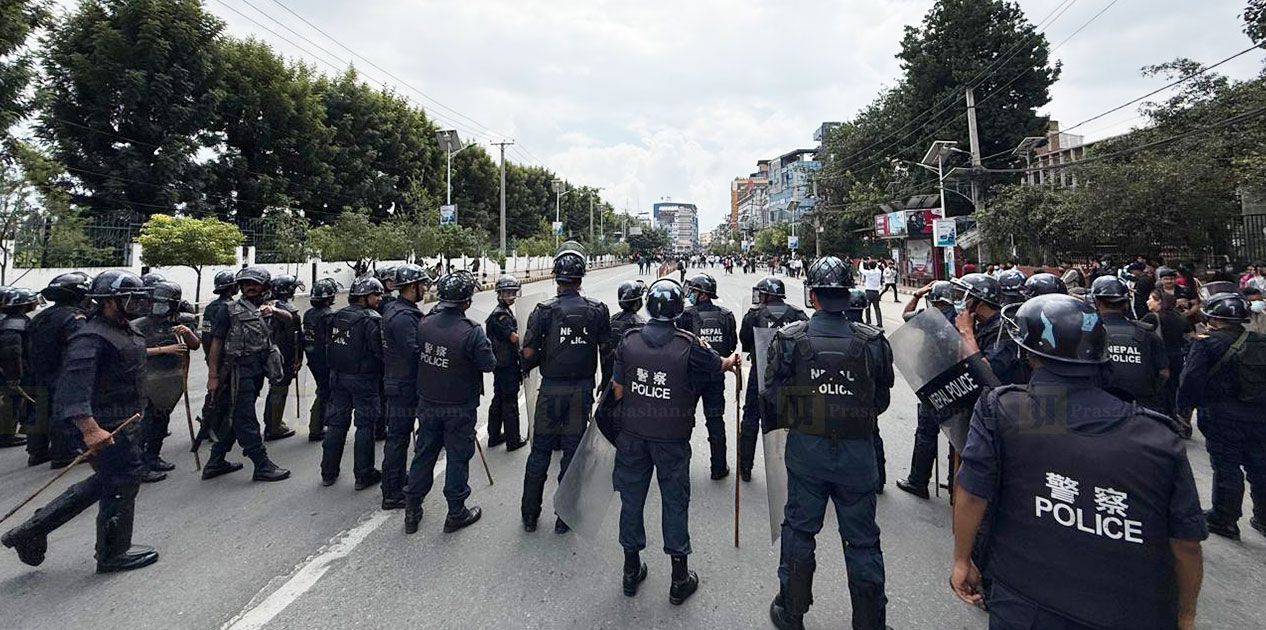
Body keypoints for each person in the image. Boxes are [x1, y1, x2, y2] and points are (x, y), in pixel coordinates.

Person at [951, 294, 1206, 630]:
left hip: (1025, 603)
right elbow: (1185, 543)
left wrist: (961, 560)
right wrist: (1185, 615)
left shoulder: (1008, 410)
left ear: (1030, 354)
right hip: (1125, 609)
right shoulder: (1156, 436)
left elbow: (972, 493)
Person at [1, 271, 160, 573]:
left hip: (124, 420)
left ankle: (32, 530)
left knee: (111, 479)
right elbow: (74, 386)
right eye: (129, 298)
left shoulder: (122, 328)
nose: (137, 304)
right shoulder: (90, 337)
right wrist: (89, 428)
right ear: (108, 301)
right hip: (106, 423)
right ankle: (112, 554)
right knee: (121, 481)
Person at [766, 256, 894, 630]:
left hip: (807, 452)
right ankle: (870, 623)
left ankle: (792, 612)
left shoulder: (790, 339)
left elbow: (773, 399)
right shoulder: (873, 342)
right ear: (848, 294)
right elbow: (880, 401)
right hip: (858, 454)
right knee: (863, 542)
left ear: (813, 295)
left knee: (799, 531)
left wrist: (811, 410)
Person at [612, 278, 740, 603]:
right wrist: (732, 362)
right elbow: (719, 365)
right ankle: (679, 578)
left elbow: (618, 390)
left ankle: (630, 571)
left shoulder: (629, 340)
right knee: (674, 502)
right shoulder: (690, 345)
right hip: (671, 439)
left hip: (632, 436)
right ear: (678, 310)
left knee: (631, 500)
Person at [519, 248, 612, 534]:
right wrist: (606, 383)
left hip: (551, 390)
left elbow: (528, 352)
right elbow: (607, 351)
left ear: (556, 278)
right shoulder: (597, 310)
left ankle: (530, 515)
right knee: (572, 453)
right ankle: (565, 515)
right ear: (581, 278)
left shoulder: (543, 311)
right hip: (580, 390)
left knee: (540, 452)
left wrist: (529, 364)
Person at [403, 271, 495, 535]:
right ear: (466, 301)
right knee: (457, 456)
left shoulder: (424, 323)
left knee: (424, 453)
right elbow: (488, 364)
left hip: (428, 401)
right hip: (458, 406)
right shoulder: (472, 331)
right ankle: (456, 511)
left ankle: (412, 509)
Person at [1177, 292, 1266, 540]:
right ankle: (1263, 517)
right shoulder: (1260, 341)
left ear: (1213, 318)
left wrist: (1184, 410)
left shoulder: (1207, 344)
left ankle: (1225, 518)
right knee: (1260, 465)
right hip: (1259, 415)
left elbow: (1190, 380)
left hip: (1221, 415)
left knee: (1227, 465)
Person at [203, 267, 291, 482]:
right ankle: (262, 465)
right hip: (237, 373)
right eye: (246, 284)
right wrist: (213, 377)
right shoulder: (229, 310)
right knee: (246, 419)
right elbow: (216, 343)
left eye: (255, 283)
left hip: (256, 371)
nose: (250, 287)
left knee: (235, 418)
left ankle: (215, 461)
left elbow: (290, 319)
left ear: (265, 286)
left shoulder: (267, 308)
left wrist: (273, 311)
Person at [738, 276, 808, 482]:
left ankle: (745, 467)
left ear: (767, 295)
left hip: (761, 372)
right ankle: (796, 467)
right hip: (790, 375)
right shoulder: (797, 314)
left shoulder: (754, 314)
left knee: (751, 416)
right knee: (795, 419)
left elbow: (745, 340)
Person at [132, 281, 200, 483]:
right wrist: (164, 350)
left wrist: (187, 333)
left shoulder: (182, 321)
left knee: (162, 421)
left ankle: (153, 456)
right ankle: (138, 465)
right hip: (147, 380)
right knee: (145, 424)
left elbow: (195, 345)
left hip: (172, 380)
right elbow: (133, 352)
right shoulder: (140, 325)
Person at [896, 281, 958, 500]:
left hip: (933, 382)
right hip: (958, 383)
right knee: (956, 437)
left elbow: (906, 316)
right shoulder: (963, 318)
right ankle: (955, 486)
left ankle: (918, 481)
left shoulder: (930, 317)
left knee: (926, 433)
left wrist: (916, 294)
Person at [321, 275, 384, 490]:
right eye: (375, 295)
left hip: (338, 377)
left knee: (337, 423)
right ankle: (364, 474)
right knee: (365, 425)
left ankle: (328, 472)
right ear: (364, 297)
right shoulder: (371, 320)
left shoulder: (337, 316)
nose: (379, 299)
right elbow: (379, 352)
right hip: (363, 379)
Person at [25, 272, 91, 468]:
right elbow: (81, 346)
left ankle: (36, 452)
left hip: (41, 369)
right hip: (64, 370)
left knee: (40, 409)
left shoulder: (42, 316)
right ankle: (65, 453)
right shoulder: (74, 317)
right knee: (64, 410)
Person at [677, 272, 738, 479]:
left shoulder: (685, 316)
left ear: (703, 294)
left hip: (691, 378)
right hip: (716, 375)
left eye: (693, 291)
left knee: (684, 420)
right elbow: (731, 345)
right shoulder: (726, 315)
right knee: (715, 419)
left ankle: (679, 467)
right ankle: (718, 468)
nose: (690, 294)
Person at [380, 265, 430, 509]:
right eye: (422, 284)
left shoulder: (398, 309)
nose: (425, 288)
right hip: (404, 384)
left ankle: (397, 480)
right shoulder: (402, 317)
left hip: (399, 381)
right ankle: (392, 492)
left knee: (398, 438)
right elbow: (414, 352)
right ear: (412, 287)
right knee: (398, 439)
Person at [1090, 276, 1169, 413]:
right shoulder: (1147, 333)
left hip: (1098, 408)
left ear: (1097, 302)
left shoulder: (1087, 333)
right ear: (1126, 303)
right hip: (1142, 408)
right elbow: (1164, 373)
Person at [953, 273, 1028, 385]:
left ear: (980, 301)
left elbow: (986, 372)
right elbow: (963, 363)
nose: (959, 302)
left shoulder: (1005, 331)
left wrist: (966, 332)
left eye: (963, 297)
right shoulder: (980, 325)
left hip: (1004, 392)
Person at [197, 269, 239, 452]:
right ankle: (213, 426)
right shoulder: (229, 308)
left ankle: (209, 424)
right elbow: (219, 338)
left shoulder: (211, 307)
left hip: (211, 356)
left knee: (215, 392)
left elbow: (206, 336)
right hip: (225, 358)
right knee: (224, 395)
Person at [485, 275, 526, 451]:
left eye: (513, 292)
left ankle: (494, 436)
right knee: (509, 402)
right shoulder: (501, 316)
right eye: (507, 293)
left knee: (499, 399)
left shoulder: (501, 312)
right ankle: (513, 440)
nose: (511, 296)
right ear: (500, 294)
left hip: (500, 364)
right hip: (507, 365)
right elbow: (514, 338)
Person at [263, 274, 304, 441]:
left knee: (275, 388)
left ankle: (272, 422)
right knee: (279, 389)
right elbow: (294, 339)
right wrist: (297, 359)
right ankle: (274, 426)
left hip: (270, 354)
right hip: (283, 356)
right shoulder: (287, 311)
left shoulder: (267, 306)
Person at [0, 287, 38, 450]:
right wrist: (14, 376)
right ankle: (5, 436)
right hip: (11, 371)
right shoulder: (14, 325)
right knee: (11, 403)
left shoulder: (8, 321)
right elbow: (12, 352)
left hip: (10, 370)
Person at [302, 278, 339, 442]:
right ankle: (316, 427)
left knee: (323, 390)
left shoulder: (309, 314)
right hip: (325, 359)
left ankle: (319, 424)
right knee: (326, 392)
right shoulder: (329, 316)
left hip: (312, 358)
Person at [599, 280, 646, 393]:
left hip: (611, 379)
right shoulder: (640, 324)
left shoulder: (612, 320)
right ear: (637, 303)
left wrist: (604, 382)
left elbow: (605, 356)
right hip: (630, 382)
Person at [858, 259, 884, 327]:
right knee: (877, 308)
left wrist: (861, 262)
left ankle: (868, 321)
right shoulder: (879, 272)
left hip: (869, 292)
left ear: (869, 266)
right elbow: (876, 267)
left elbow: (861, 269)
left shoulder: (868, 273)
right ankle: (879, 322)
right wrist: (872, 261)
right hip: (876, 292)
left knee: (867, 307)